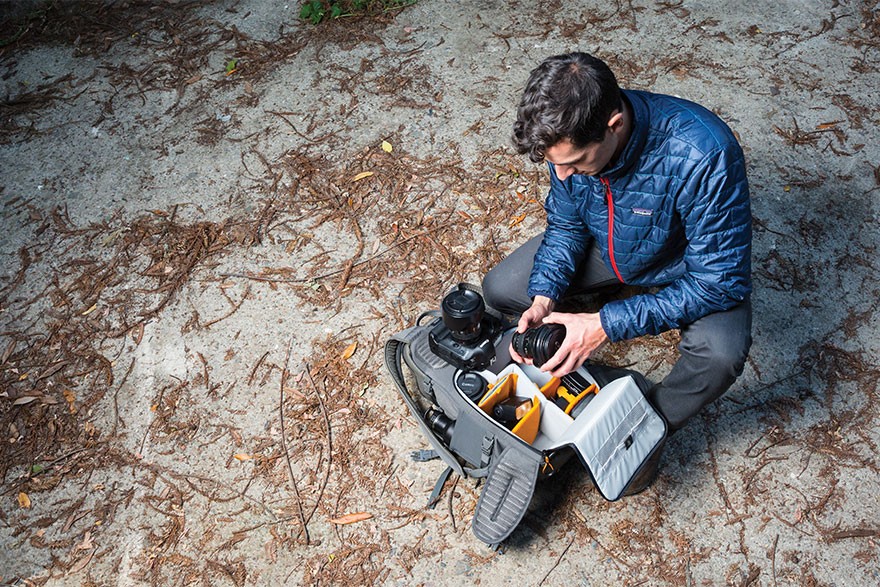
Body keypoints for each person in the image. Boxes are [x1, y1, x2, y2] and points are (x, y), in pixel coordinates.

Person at [482, 52, 752, 444]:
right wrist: (544, 297)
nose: (562, 175)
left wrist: (604, 324)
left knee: (720, 356)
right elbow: (567, 225)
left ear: (614, 125)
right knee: (500, 288)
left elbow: (719, 282)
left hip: (684, 267)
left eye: (575, 162)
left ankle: (647, 424)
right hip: (610, 244)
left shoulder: (705, 155)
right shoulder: (564, 135)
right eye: (555, 164)